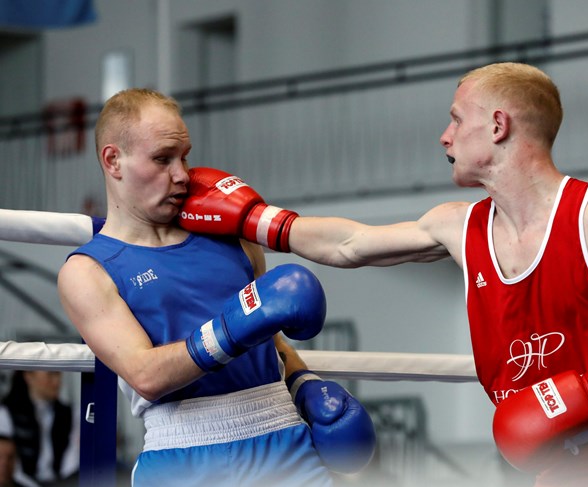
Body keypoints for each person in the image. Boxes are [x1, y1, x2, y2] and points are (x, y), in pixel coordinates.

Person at [178, 62, 588, 486]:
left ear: (499, 125)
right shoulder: (459, 227)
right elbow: (350, 244)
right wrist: (256, 219)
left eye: (457, 119)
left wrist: (579, 397)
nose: (445, 135)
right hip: (554, 469)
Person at [55, 88, 375, 486]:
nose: (182, 174)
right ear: (113, 159)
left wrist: (304, 383)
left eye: (184, 156)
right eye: (162, 158)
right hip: (181, 452)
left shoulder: (230, 238)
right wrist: (229, 328)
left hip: (282, 439)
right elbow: (145, 374)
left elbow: (269, 337)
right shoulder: (89, 270)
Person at [2, 371, 79, 486]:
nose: (57, 382)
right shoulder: (6, 413)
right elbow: (8, 461)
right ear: (29, 376)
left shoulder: (71, 414)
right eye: (51, 375)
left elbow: (72, 457)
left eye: (58, 375)